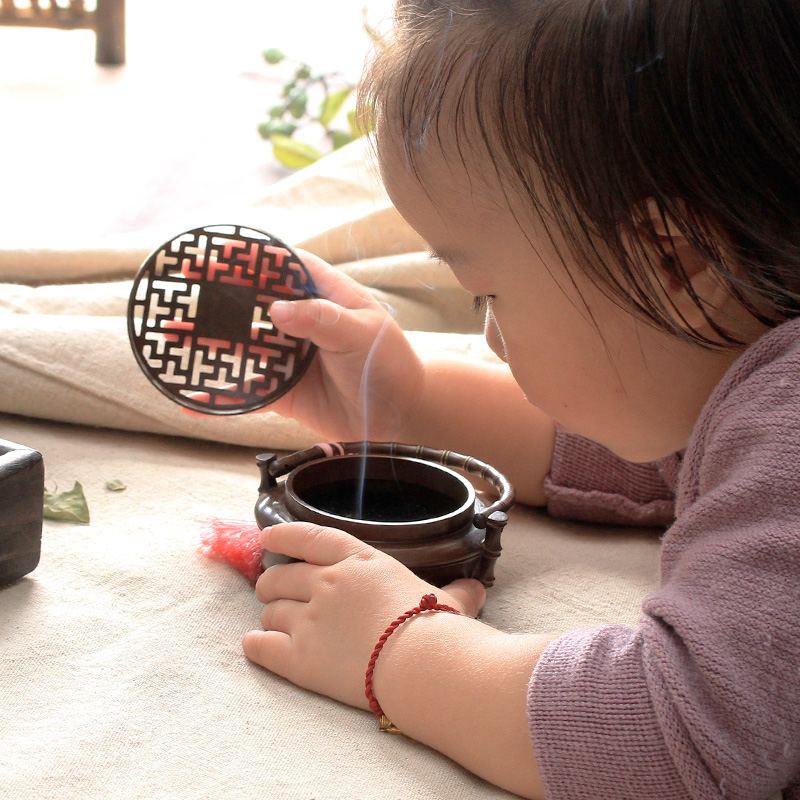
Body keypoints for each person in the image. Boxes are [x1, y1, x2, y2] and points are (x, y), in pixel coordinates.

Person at [240, 1, 800, 797]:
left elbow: (675, 737)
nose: (492, 335)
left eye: (487, 294)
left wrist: (400, 650)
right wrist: (407, 401)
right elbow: (661, 446)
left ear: (672, 266)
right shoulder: (749, 358)